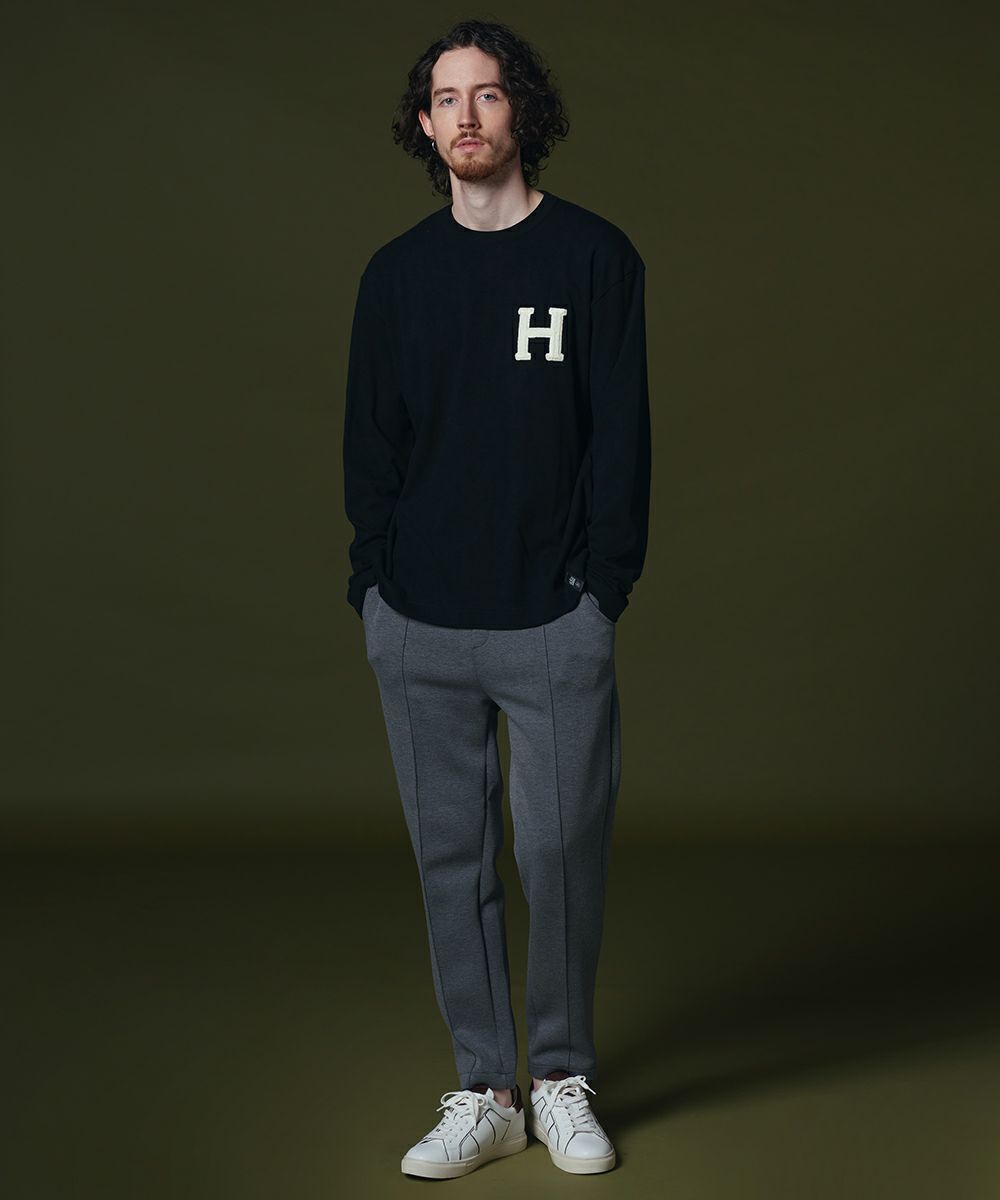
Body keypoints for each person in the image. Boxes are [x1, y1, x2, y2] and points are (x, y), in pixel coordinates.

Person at [342, 18, 651, 1180]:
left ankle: (560, 1075)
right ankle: (486, 1090)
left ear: (523, 109)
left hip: (553, 618)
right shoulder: (396, 276)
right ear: (423, 125)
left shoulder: (593, 258)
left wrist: (600, 589)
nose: (465, 115)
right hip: (418, 621)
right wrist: (374, 587)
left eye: (487, 93)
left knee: (561, 850)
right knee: (449, 860)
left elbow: (621, 439)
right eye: (444, 98)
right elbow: (370, 445)